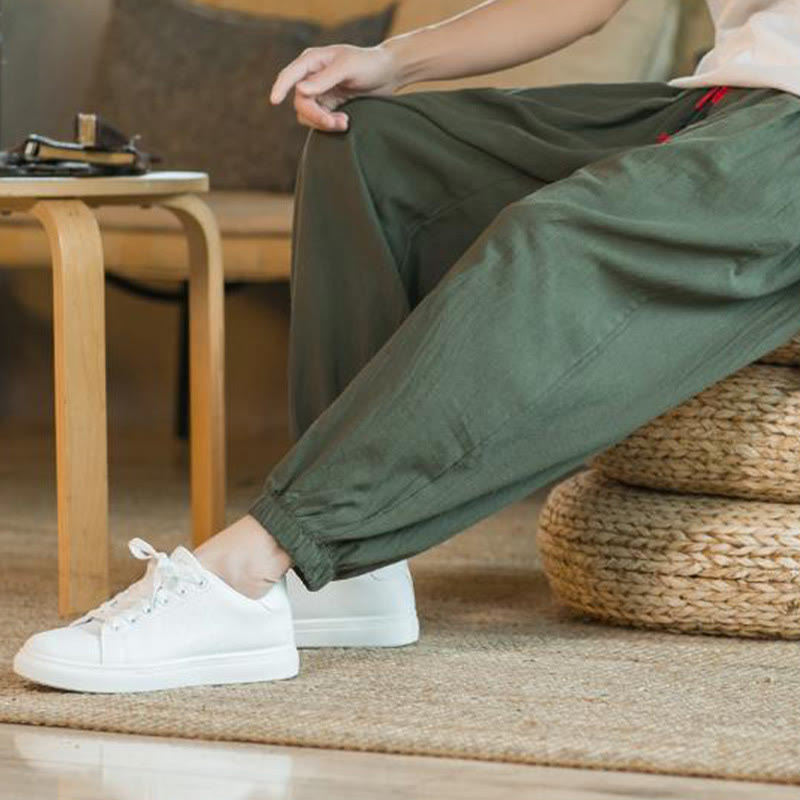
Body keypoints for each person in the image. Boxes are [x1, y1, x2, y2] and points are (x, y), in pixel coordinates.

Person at [13, 0, 800, 693]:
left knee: (555, 237)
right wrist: (391, 59)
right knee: (372, 145)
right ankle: (352, 578)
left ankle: (255, 564)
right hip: (722, 105)